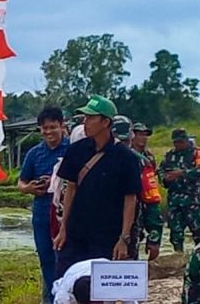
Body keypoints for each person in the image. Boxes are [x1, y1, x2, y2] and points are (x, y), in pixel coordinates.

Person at [53, 96, 140, 274]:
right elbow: (70, 189)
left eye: (91, 118)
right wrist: (63, 229)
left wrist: (124, 239)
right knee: (67, 285)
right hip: (76, 235)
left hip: (107, 237)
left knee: (103, 293)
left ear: (106, 122)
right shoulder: (76, 150)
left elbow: (130, 200)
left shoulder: (126, 158)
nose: (85, 122)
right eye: (85, 118)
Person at [17, 107, 70, 304]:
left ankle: (69, 301)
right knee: (46, 257)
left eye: (53, 128)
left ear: (62, 126)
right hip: (41, 212)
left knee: (64, 257)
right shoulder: (34, 153)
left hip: (65, 214)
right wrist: (30, 188)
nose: (49, 133)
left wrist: (56, 183)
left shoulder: (73, 149)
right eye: (44, 129)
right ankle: (52, 299)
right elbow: (21, 183)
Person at [112, 117, 163, 261]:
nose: (120, 145)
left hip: (128, 231)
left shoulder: (141, 162)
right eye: (117, 141)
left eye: (124, 141)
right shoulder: (94, 158)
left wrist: (154, 237)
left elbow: (151, 201)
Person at [158, 128, 200, 252]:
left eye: (181, 142)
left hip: (192, 200)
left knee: (198, 233)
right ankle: (178, 257)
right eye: (176, 142)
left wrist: (182, 173)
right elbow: (161, 170)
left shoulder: (197, 153)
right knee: (176, 233)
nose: (179, 145)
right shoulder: (170, 155)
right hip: (174, 200)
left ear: (186, 140)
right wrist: (165, 178)